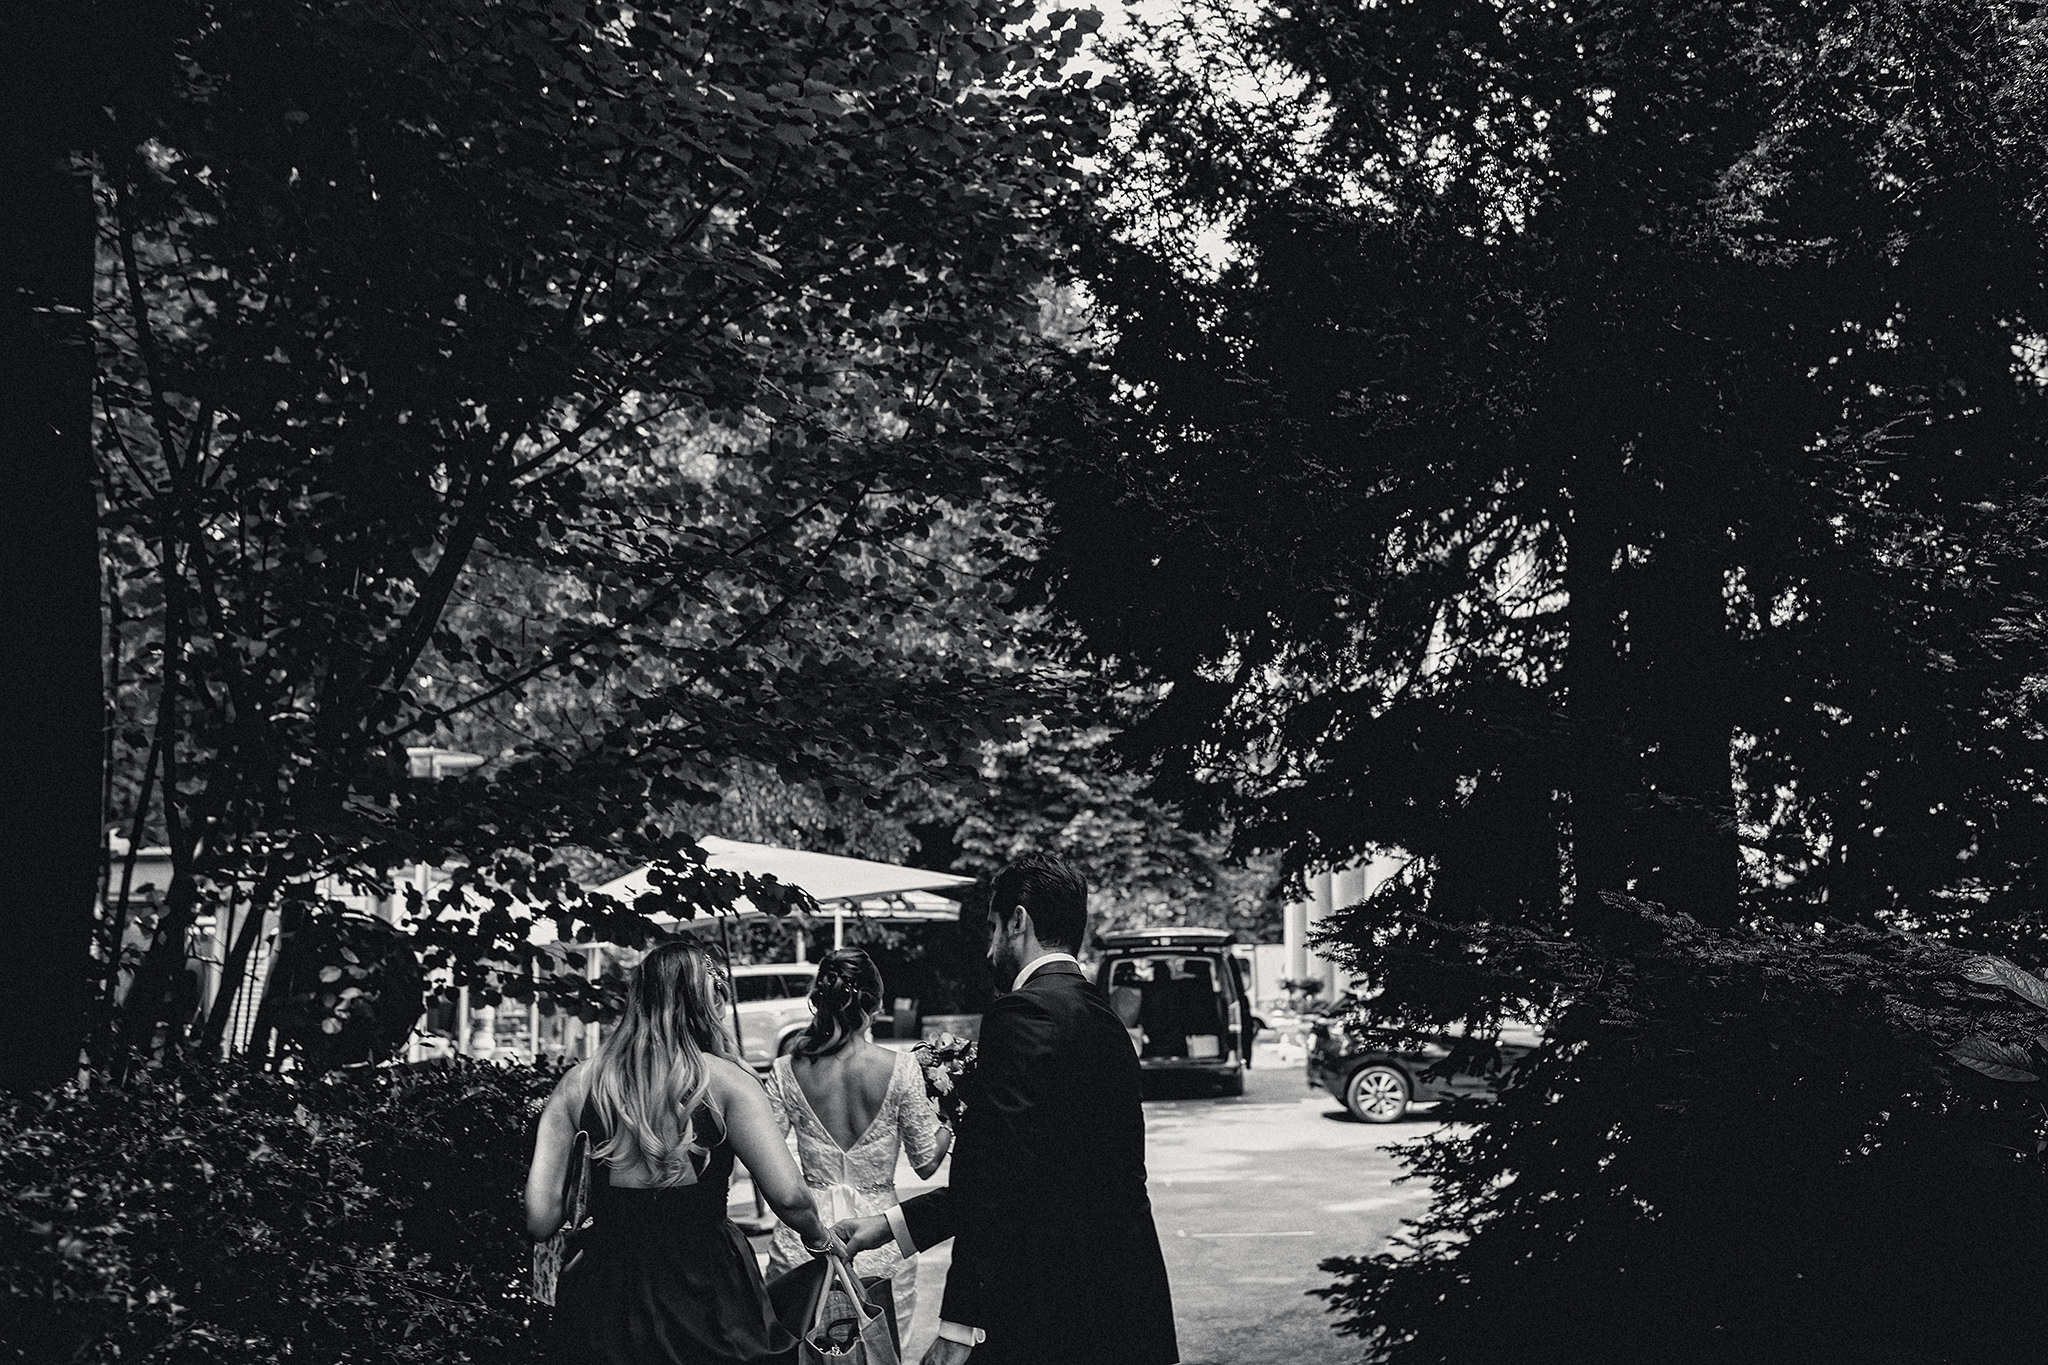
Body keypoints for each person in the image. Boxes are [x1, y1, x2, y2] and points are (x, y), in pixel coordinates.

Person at [833, 855, 1179, 1365]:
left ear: (1019, 921)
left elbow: (998, 1175)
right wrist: (887, 1226)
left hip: (1055, 1307)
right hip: (1127, 1301)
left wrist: (960, 1322)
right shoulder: (1101, 1018)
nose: (990, 947)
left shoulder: (1024, 1013)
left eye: (993, 928)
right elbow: (1050, 1172)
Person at [525, 939, 849, 1365]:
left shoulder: (578, 1085)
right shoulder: (729, 1084)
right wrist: (819, 1237)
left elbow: (539, 1217)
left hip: (606, 1286)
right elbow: (788, 1196)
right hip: (706, 1284)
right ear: (707, 1001)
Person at [763, 947, 951, 1328]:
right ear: (875, 1003)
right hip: (877, 1239)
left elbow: (765, 1157)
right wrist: (949, 1120)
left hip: (807, 1238)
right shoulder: (900, 1069)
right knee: (879, 1347)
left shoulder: (786, 1069)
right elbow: (926, 1163)